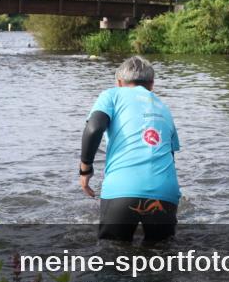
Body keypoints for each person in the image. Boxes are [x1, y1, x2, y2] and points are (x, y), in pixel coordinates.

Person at [78, 56, 182, 243]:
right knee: (161, 260)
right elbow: (170, 155)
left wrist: (85, 169)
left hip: (122, 190)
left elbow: (93, 128)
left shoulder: (112, 95)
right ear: (152, 84)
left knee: (112, 258)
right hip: (165, 192)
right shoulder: (164, 107)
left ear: (119, 82)